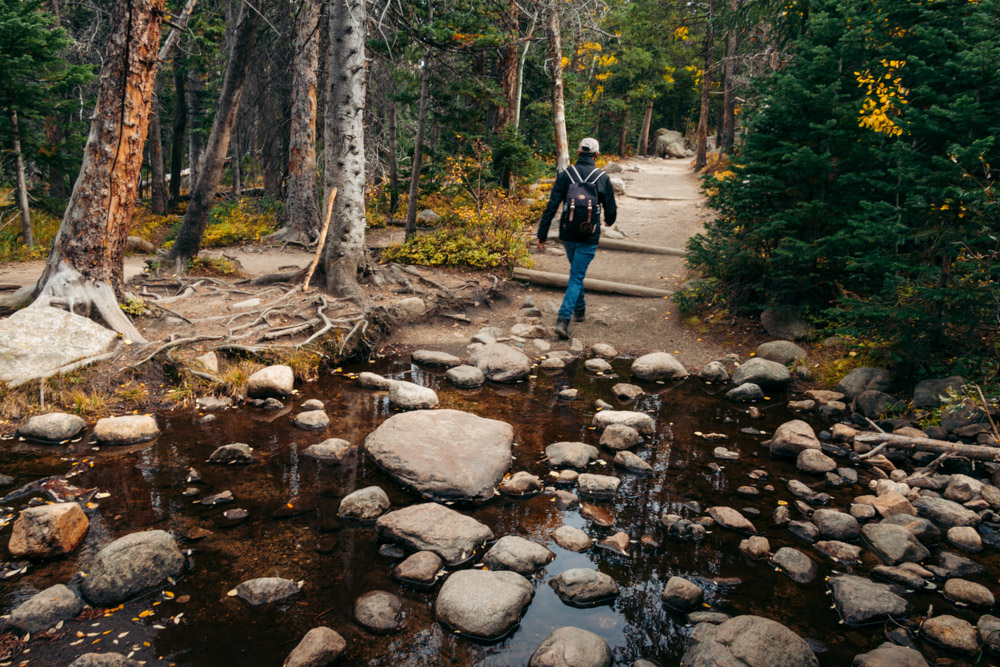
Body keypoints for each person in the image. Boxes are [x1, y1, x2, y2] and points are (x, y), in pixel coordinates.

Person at [536, 137, 617, 339]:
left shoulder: (565, 175)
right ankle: (563, 319)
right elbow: (611, 208)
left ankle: (580, 309)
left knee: (575, 273)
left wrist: (542, 234)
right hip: (589, 234)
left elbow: (552, 206)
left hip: (568, 232)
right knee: (576, 276)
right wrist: (609, 220)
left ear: (579, 152)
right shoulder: (601, 177)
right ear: (596, 155)